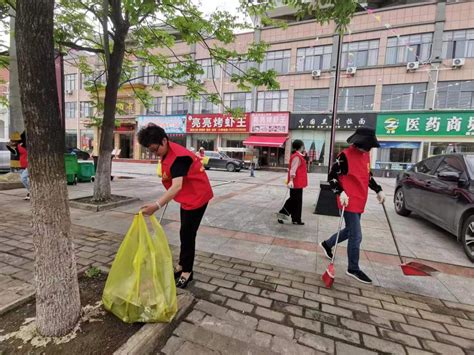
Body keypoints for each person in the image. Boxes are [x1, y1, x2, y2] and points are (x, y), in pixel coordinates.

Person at [138, 124, 213, 289]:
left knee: (188, 233)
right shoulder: (167, 151)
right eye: (150, 150)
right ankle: (182, 263)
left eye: (154, 149)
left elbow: (177, 186)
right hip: (188, 196)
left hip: (198, 197)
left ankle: (187, 271)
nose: (154, 153)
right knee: (184, 231)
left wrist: (156, 206)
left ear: (164, 140)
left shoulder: (179, 157)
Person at [319, 127, 385, 284]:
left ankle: (327, 244)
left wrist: (378, 189)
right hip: (347, 199)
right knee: (356, 235)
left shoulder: (366, 155)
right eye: (365, 146)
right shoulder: (345, 156)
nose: (367, 149)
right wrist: (340, 192)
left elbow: (367, 176)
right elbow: (332, 177)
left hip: (360, 199)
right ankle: (353, 268)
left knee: (349, 231)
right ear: (358, 142)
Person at [277, 139, 308, 225]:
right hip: (295, 183)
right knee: (293, 201)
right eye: (303, 145)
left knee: (297, 201)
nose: (304, 147)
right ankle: (281, 215)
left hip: (298, 183)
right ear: (300, 146)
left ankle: (296, 219)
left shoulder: (298, 155)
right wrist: (291, 180)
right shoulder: (297, 157)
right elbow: (293, 170)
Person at [7, 131, 29, 200]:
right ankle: (29, 192)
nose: (12, 143)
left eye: (13, 141)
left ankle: (32, 191)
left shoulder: (25, 144)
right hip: (22, 165)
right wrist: (9, 148)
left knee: (23, 178)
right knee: (26, 180)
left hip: (28, 165)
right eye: (11, 142)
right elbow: (16, 153)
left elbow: (24, 135)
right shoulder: (18, 146)